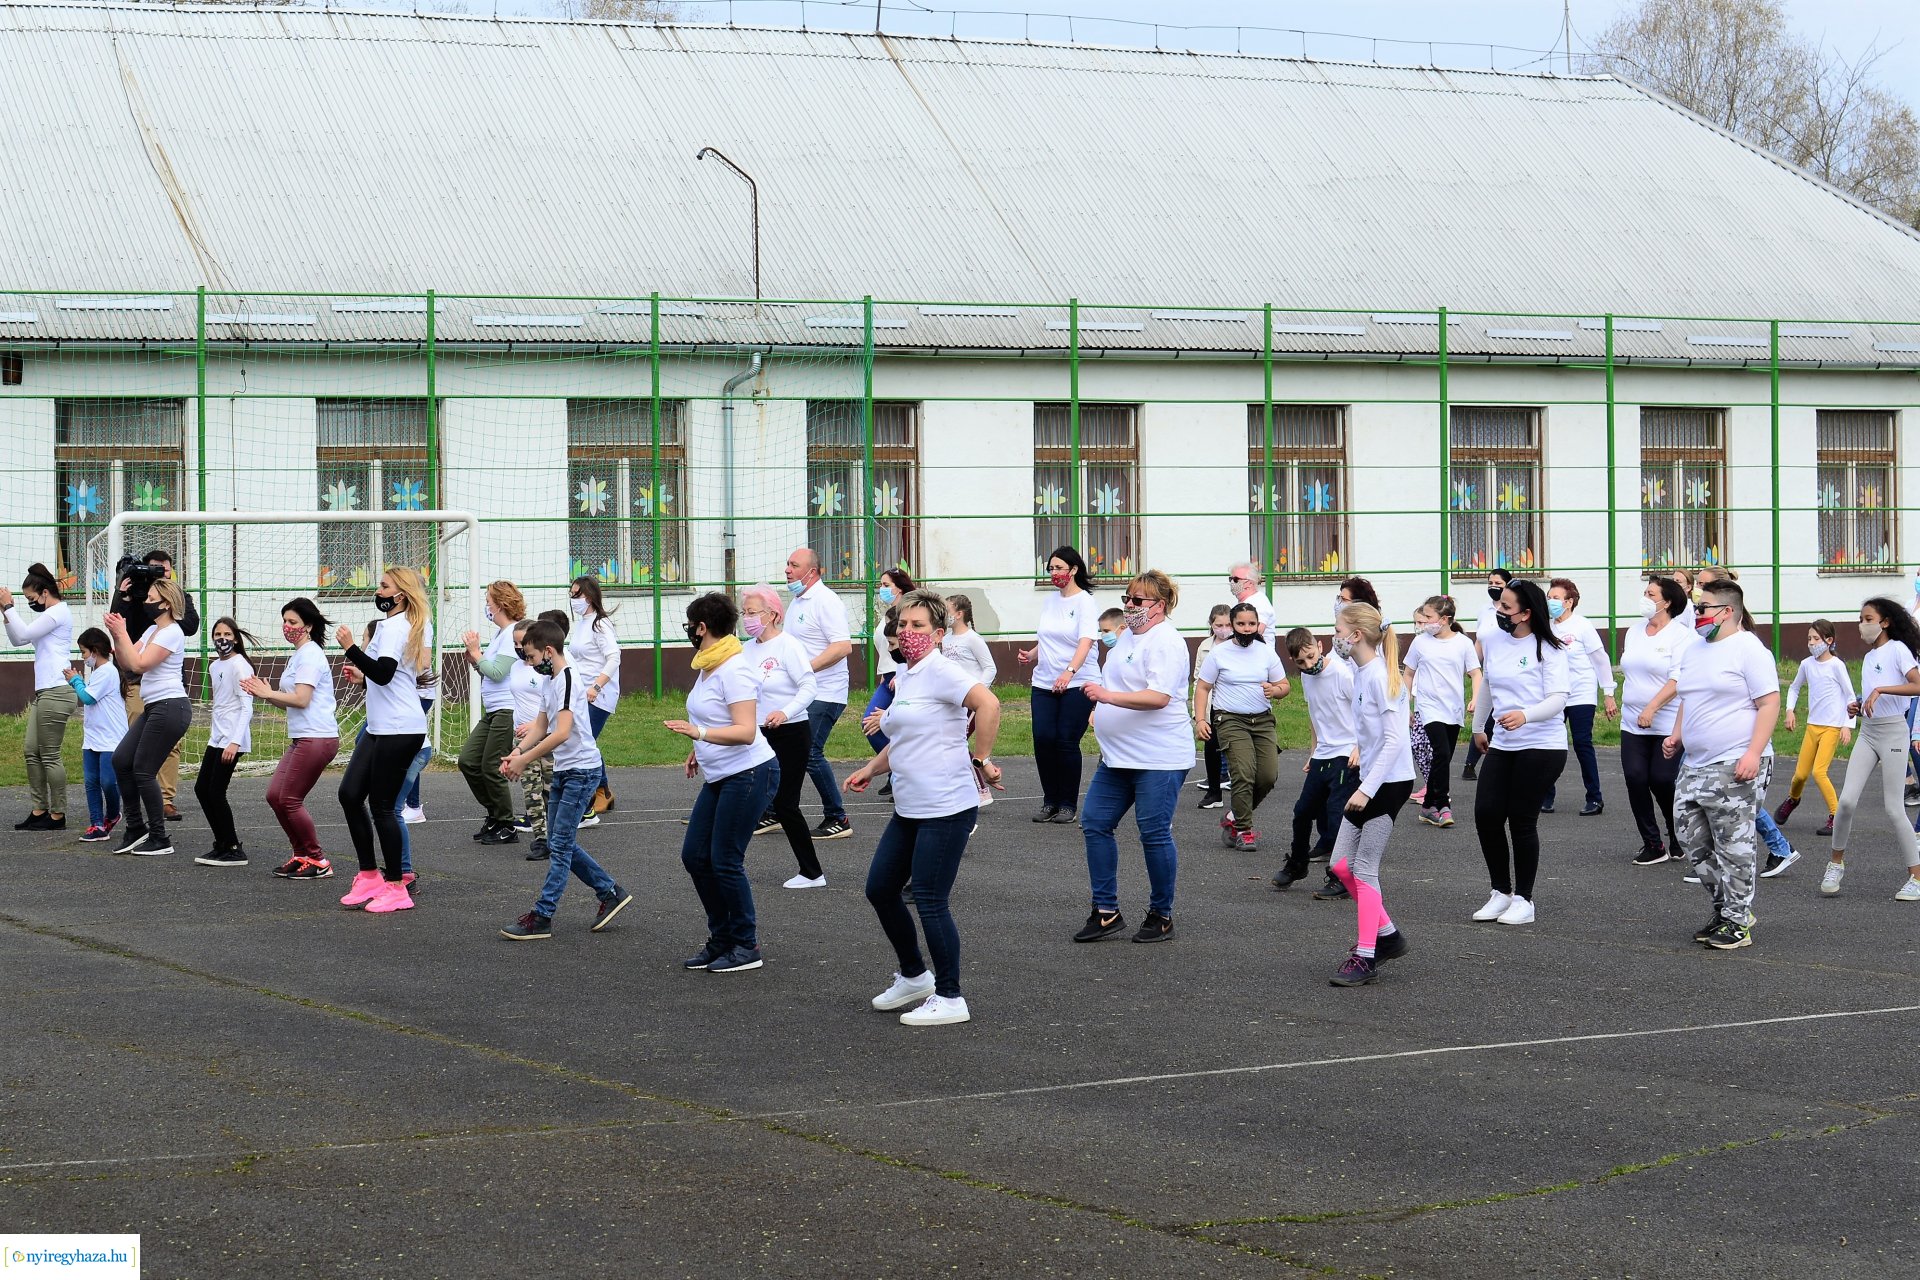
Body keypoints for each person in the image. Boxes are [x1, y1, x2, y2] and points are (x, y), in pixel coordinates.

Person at [846, 589, 1004, 1027]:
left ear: (937, 633)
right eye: (903, 624)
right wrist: (872, 769)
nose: (908, 632)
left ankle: (951, 997)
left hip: (946, 805)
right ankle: (915, 976)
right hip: (911, 805)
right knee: (880, 889)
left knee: (931, 900)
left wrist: (982, 759)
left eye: (918, 626)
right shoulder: (907, 674)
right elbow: (904, 738)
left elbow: (989, 704)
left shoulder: (942, 671)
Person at [1074, 569, 1194, 944]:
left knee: (1153, 833)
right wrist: (1102, 708)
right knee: (1094, 822)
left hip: (1158, 757)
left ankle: (1162, 914)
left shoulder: (1167, 642)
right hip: (1117, 756)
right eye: (1127, 598)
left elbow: (1159, 697)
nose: (1129, 605)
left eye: (1137, 600)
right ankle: (1106, 911)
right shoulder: (1125, 639)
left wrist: (1107, 698)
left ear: (1160, 606)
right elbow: (1118, 684)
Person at [497, 618, 634, 940]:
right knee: (563, 843)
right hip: (564, 771)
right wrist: (517, 752)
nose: (528, 663)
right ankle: (609, 892)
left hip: (581, 773)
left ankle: (542, 915)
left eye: (530, 657)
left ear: (547, 651)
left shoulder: (569, 680)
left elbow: (561, 732)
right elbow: (540, 725)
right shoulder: (548, 680)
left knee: (558, 846)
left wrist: (525, 759)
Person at [1662, 578, 1780, 949]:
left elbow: (1769, 703)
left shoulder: (1749, 650)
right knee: (1691, 840)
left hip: (1735, 760)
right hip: (1694, 763)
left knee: (1734, 845)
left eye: (1703, 607)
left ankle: (1736, 922)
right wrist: (1677, 734)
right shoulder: (1694, 649)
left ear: (1727, 611)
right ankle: (1728, 908)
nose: (1696, 613)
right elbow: (1688, 697)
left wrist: (1752, 753)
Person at [665, 593, 780, 972]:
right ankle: (723, 937)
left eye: (690, 626)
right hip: (721, 774)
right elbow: (714, 715)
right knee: (695, 856)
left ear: (702, 627)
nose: (689, 633)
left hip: (749, 773)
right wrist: (699, 747)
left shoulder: (735, 668)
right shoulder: (710, 665)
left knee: (725, 859)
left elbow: (746, 731)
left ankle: (746, 944)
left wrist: (699, 733)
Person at [1325, 602, 1416, 986]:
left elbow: (1396, 739)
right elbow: (1374, 733)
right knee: (1341, 865)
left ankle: (1366, 956)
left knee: (1363, 869)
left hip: (1389, 783)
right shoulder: (1359, 672)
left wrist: (1366, 788)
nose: (1335, 637)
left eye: (1338, 629)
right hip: (1370, 778)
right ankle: (1388, 935)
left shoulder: (1380, 676)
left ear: (1356, 635)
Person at [1470, 578, 1569, 925]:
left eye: (1507, 607)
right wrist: (1478, 727)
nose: (1499, 610)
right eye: (1500, 604)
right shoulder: (1495, 640)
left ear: (1526, 613)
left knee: (1521, 819)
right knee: (1486, 813)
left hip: (1542, 744)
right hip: (1503, 743)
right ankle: (1501, 892)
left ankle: (1524, 900)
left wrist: (1526, 715)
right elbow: (1488, 686)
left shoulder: (1550, 647)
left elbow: (1558, 699)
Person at [335, 568, 432, 914]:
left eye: (384, 585)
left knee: (382, 806)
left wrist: (350, 649)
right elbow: (386, 678)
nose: (378, 590)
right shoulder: (392, 626)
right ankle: (369, 876)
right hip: (381, 726)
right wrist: (362, 678)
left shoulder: (395, 626)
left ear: (401, 594)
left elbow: (385, 673)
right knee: (349, 795)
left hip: (400, 728)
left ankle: (396, 886)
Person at [1823, 597, 1920, 902]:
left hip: (1893, 733)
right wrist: (1858, 706)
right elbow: (1872, 700)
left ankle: (1916, 878)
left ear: (1885, 622)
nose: (1862, 624)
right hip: (1869, 733)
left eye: (1867, 618)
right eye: (1861, 618)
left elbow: (1917, 685)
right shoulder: (1868, 658)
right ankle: (1835, 864)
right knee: (1847, 802)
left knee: (1894, 808)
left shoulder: (1899, 650)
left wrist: (1879, 690)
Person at [242, 598, 340, 880]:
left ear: (308, 626)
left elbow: (302, 698)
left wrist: (268, 693)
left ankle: (318, 860)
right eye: (285, 621)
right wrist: (267, 692)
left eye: (293, 622)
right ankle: (301, 856)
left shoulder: (310, 655)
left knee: (290, 799)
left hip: (317, 737)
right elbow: (289, 702)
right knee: (275, 796)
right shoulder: (298, 655)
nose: (287, 627)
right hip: (303, 736)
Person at [739, 584, 825, 889]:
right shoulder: (745, 649)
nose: (746, 618)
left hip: (790, 733)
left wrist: (785, 712)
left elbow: (809, 686)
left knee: (786, 803)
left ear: (773, 614)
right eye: (744, 612)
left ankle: (812, 872)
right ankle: (727, 864)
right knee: (745, 797)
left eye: (752, 612)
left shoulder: (789, 646)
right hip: (756, 734)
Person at [104, 574, 193, 856]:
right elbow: (127, 663)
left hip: (171, 707)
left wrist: (121, 635)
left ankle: (159, 837)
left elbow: (139, 663)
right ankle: (135, 828)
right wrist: (118, 635)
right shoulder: (152, 631)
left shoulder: (172, 632)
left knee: (143, 769)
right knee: (121, 760)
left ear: (167, 603)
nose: (147, 602)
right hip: (155, 706)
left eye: (153, 598)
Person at [773, 548, 854, 840]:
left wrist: (804, 670)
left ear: (813, 572)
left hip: (826, 692)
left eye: (794, 565)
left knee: (809, 752)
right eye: (787, 563)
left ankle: (838, 817)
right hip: (802, 692)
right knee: (781, 747)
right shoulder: (797, 601)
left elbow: (842, 646)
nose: (787, 570)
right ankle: (773, 812)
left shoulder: (825, 600)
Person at [1194, 602, 1288, 850]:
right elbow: (1203, 687)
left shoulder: (1266, 652)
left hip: (1263, 720)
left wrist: (1275, 690)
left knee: (1267, 776)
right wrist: (1201, 720)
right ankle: (1244, 830)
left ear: (1257, 625)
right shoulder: (1219, 653)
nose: (1247, 629)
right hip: (1230, 719)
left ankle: (1233, 817)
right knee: (1243, 775)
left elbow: (1285, 686)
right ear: (1233, 625)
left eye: (1251, 624)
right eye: (1241, 624)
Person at [1273, 627, 1360, 893]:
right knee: (1302, 813)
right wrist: (1314, 750)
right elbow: (1315, 715)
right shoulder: (1307, 678)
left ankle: (1342, 877)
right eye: (1301, 662)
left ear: (1320, 646)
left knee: (1337, 816)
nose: (1309, 665)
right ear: (1292, 661)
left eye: (1311, 656)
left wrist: (1360, 747)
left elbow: (1365, 712)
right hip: (1323, 754)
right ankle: (1297, 863)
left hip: (1346, 754)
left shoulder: (1343, 674)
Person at [1619, 577, 1697, 866]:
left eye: (1650, 594)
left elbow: (1677, 680)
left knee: (1663, 780)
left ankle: (1677, 834)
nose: (1645, 597)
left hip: (1665, 722)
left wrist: (1652, 707)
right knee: (1635, 778)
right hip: (1632, 722)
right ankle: (1652, 843)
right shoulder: (1634, 632)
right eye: (1645, 592)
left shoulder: (1681, 635)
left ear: (1667, 602)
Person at [1022, 545, 1100, 824]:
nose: (1054, 573)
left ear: (1074, 570)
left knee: (1065, 741)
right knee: (1043, 740)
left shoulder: (1085, 602)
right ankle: (1050, 801)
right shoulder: (1051, 601)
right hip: (1044, 680)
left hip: (1078, 681)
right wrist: (1032, 654)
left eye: (1059, 568)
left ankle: (1067, 804)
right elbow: (1050, 637)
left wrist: (1069, 672)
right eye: (1051, 569)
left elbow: (1085, 641)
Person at [3, 563, 76, 830]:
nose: (31, 604)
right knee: (31, 751)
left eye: (32, 599)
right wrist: (5, 611)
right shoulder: (48, 615)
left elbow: (22, 633)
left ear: (45, 593)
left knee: (50, 755)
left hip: (57, 691)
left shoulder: (57, 613)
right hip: (45, 691)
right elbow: (18, 640)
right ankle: (39, 810)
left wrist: (9, 607)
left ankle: (58, 814)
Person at [1402, 595, 1480, 829]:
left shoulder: (1463, 643)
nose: (1424, 622)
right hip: (1428, 708)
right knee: (1442, 753)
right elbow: (1408, 674)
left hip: (1453, 709)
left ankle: (1428, 805)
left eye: (1428, 617)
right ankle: (1443, 805)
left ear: (1444, 619)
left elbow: (1476, 673)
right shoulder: (1420, 643)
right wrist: (1406, 706)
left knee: (1442, 758)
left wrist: (1475, 698)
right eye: (1423, 617)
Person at [460, 580, 527, 846]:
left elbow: (498, 672)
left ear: (499, 604)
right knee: (468, 761)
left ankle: (506, 824)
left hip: (506, 709)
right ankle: (495, 814)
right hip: (493, 710)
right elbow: (491, 671)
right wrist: (476, 660)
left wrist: (477, 654)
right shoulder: (501, 634)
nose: (486, 606)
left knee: (490, 766)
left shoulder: (512, 634)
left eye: (488, 600)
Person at [1542, 579, 1617, 816]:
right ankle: (1546, 796)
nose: (1550, 602)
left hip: (1580, 694)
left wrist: (1609, 693)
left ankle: (1594, 797)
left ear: (1569, 602)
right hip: (1554, 694)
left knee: (1582, 744)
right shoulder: (1545, 626)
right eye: (1549, 597)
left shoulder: (1582, 626)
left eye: (1555, 598)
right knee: (1549, 744)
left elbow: (1600, 660)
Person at [1777, 619, 1854, 839]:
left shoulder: (1837, 666)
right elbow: (1793, 688)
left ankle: (1836, 816)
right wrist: (1789, 711)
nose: (1811, 643)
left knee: (1819, 772)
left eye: (1816, 639)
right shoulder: (1806, 664)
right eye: (1809, 639)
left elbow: (1850, 696)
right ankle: (1793, 799)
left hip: (1831, 727)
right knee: (1800, 775)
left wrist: (1847, 726)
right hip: (1813, 726)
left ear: (1829, 641)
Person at [191, 618, 257, 867]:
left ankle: (232, 847)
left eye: (227, 634)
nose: (222, 638)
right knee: (201, 789)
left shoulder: (240, 666)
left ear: (236, 638)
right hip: (217, 738)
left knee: (216, 791)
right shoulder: (214, 665)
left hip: (232, 740)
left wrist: (234, 741)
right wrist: (216, 738)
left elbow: (246, 708)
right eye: (218, 634)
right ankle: (221, 843)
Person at [568, 574, 623, 821]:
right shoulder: (582, 623)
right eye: (571, 594)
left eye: (576, 594)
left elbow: (614, 657)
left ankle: (599, 791)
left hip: (598, 694)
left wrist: (596, 687)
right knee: (584, 739)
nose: (573, 599)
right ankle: (602, 789)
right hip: (581, 693)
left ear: (588, 596)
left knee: (584, 740)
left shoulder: (600, 624)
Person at [64, 627, 126, 842]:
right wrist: (81, 682)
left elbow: (88, 698)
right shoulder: (99, 673)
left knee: (108, 781)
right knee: (91, 781)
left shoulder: (107, 671)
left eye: (83, 652)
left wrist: (75, 681)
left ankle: (113, 814)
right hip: (92, 738)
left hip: (111, 737)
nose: (83, 657)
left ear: (95, 650)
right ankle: (97, 825)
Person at [506, 621, 554, 864]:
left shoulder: (546, 671)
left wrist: (536, 725)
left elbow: (551, 706)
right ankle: (540, 839)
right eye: (515, 643)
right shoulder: (516, 668)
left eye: (522, 643)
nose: (519, 647)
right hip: (523, 740)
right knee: (531, 790)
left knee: (549, 789)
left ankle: (554, 835)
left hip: (547, 738)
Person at [1462, 567, 1515, 781]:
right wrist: (1473, 665)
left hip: (1507, 673)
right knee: (1483, 719)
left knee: (1498, 718)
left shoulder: (1513, 611)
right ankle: (1470, 764)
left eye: (1498, 584)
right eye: (1490, 583)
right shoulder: (1484, 611)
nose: (1493, 587)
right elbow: (1480, 641)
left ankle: (1498, 762)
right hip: (1488, 672)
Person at [1191, 603, 1234, 809]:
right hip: (1211, 707)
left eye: (1228, 624)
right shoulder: (1205, 646)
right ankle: (1214, 792)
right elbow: (1197, 680)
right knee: (1212, 748)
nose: (1223, 628)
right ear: (1211, 624)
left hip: (1233, 705)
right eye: (1219, 624)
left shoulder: (1239, 645)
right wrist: (1196, 713)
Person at [941, 594, 997, 685]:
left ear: (959, 614)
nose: (944, 615)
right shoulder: (945, 639)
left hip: (970, 691)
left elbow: (990, 668)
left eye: (947, 611)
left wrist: (980, 691)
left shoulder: (972, 638)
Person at [1227, 561, 1279, 648]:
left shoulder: (1259, 602)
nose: (1232, 582)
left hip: (1259, 654)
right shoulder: (1245, 602)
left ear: (1250, 583)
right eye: (1230, 579)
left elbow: (1257, 633)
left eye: (1236, 580)